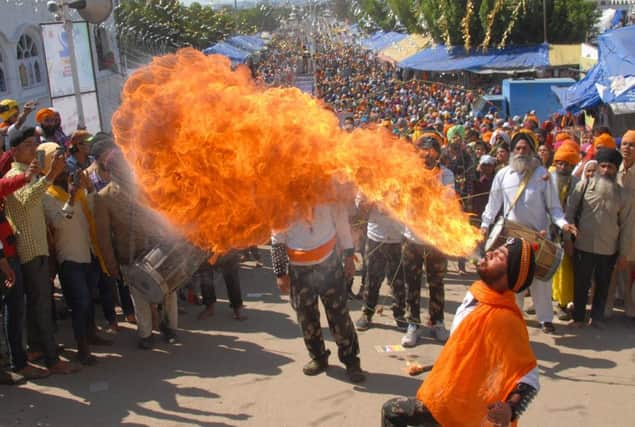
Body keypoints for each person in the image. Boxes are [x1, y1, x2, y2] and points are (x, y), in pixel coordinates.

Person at [381, 238, 539, 427]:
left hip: (464, 409)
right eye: (495, 250)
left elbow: (529, 375)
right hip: (448, 391)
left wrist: (510, 409)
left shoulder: (505, 319)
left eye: (499, 256)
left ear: (509, 275)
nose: (489, 253)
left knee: (392, 411)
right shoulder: (479, 293)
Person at [481, 131, 577, 334]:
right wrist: (484, 225)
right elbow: (492, 205)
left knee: (540, 281)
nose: (521, 152)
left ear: (532, 152)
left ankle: (545, 319)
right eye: (517, 148)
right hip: (512, 238)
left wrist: (563, 224)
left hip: (538, 237)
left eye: (525, 148)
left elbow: (554, 208)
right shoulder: (503, 175)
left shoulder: (543, 175)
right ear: (511, 152)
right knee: (513, 279)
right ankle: (515, 316)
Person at [4, 127, 80, 374]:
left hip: (38, 250)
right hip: (28, 251)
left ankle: (40, 350)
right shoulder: (14, 174)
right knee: (40, 306)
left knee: (38, 305)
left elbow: (53, 217)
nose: (33, 149)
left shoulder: (31, 175)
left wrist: (68, 195)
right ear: (14, 151)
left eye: (34, 144)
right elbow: (26, 200)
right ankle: (51, 359)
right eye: (27, 145)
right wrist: (50, 176)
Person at [94, 147, 178, 349]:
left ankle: (170, 328)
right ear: (112, 170)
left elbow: (159, 214)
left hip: (154, 248)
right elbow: (103, 236)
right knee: (139, 295)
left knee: (169, 289)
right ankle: (146, 334)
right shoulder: (103, 197)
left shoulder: (143, 187)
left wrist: (170, 236)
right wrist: (111, 264)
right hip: (128, 255)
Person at [271, 202, 364, 383]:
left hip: (328, 263)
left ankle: (351, 361)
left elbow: (341, 221)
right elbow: (277, 236)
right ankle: (318, 357)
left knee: (339, 315)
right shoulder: (282, 195)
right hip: (299, 270)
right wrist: (280, 273)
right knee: (306, 317)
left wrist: (348, 256)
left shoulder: (326, 190)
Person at [40, 142, 109, 365]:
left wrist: (88, 188)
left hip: (88, 252)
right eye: (59, 161)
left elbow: (89, 209)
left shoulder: (74, 188)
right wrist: (70, 197)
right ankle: (82, 349)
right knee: (80, 303)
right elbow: (58, 223)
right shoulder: (47, 195)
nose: (66, 167)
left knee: (88, 300)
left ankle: (90, 335)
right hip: (69, 257)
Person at [567, 148, 633, 328]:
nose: (605, 170)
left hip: (609, 247)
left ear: (615, 169)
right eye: (602, 166)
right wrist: (567, 239)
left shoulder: (623, 195)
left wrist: (623, 253)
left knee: (603, 284)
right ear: (597, 168)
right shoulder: (583, 186)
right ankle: (578, 317)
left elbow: (627, 225)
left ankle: (597, 318)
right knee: (581, 283)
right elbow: (569, 213)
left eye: (610, 167)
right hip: (583, 244)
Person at [0, 160, 50, 384]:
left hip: (8, 256)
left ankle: (16, 362)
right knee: (13, 311)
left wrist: (26, 176)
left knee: (15, 311)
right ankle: (15, 363)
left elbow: (5, 185)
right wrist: (3, 260)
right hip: (5, 260)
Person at [401, 132, 453, 346]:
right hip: (411, 238)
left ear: (438, 155)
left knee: (436, 282)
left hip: (436, 240)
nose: (428, 156)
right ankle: (413, 324)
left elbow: (447, 199)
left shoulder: (446, 174)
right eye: (424, 152)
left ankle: (437, 321)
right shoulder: (407, 174)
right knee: (411, 283)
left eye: (432, 152)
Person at [354, 193, 405, 331]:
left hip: (398, 237)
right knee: (372, 279)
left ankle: (400, 314)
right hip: (375, 237)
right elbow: (359, 206)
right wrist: (370, 201)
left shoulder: (405, 177)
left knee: (398, 280)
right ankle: (367, 312)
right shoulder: (369, 179)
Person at [605, 130, 635, 319]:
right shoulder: (614, 169)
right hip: (613, 226)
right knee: (613, 266)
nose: (627, 148)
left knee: (629, 265)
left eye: (631, 145)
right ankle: (607, 305)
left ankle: (628, 305)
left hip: (633, 227)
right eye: (624, 144)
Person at [550, 141, 580, 321]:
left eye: (567, 164)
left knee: (564, 269)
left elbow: (571, 212)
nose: (563, 167)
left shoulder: (577, 183)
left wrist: (568, 238)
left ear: (573, 165)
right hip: (546, 231)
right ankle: (544, 302)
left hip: (567, 231)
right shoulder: (547, 178)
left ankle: (562, 304)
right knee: (544, 268)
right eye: (560, 163)